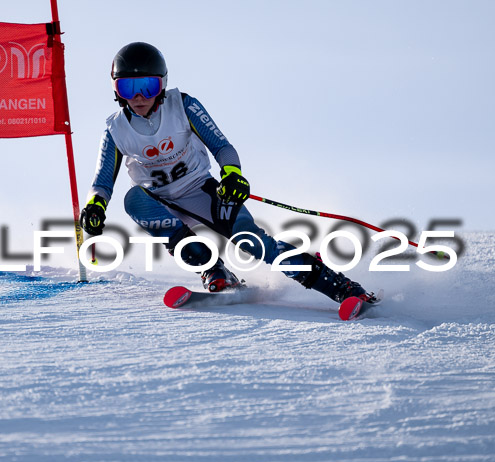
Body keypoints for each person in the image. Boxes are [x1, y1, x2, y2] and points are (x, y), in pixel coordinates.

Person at [80, 42, 371, 304]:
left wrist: (232, 175)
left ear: (162, 86)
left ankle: (340, 287)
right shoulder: (115, 129)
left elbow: (221, 146)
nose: (139, 97)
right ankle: (213, 269)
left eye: (148, 86)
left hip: (201, 191)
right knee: (133, 199)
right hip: (159, 202)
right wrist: (95, 206)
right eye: (128, 88)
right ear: (117, 91)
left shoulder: (183, 105)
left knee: (252, 242)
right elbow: (103, 181)